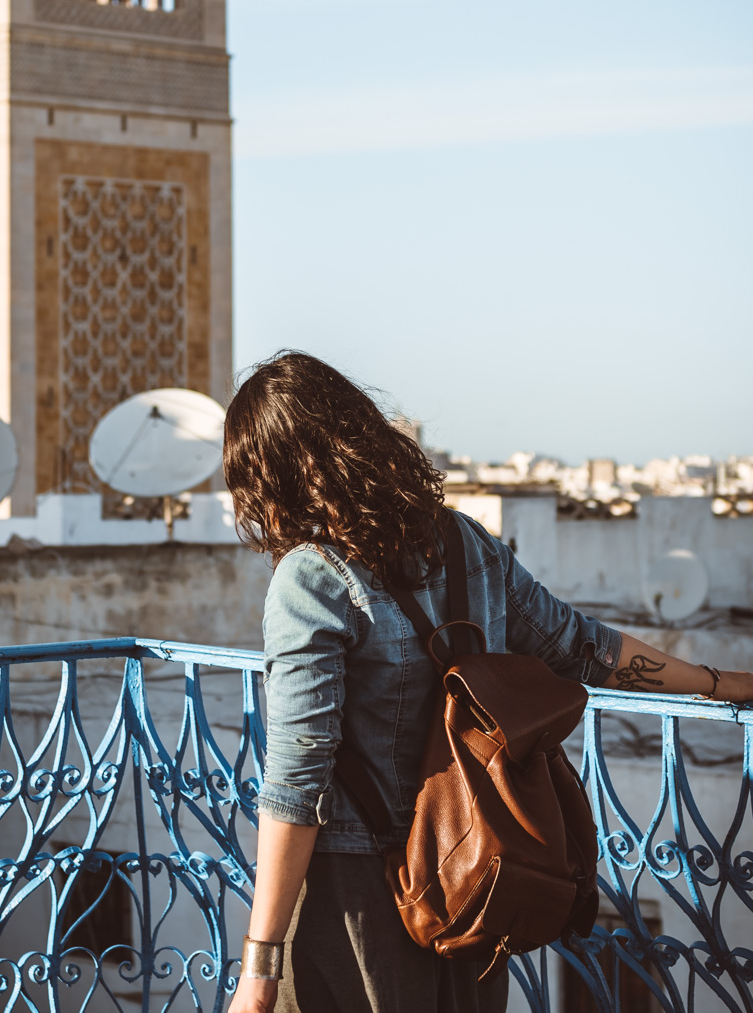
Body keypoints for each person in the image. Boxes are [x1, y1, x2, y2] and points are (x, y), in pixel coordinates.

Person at [223, 352, 753, 1013]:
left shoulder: (312, 578)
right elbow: (582, 644)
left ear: (270, 474)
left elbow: (297, 782)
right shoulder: (465, 543)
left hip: (360, 892)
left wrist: (260, 963)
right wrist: (718, 681)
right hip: (475, 876)